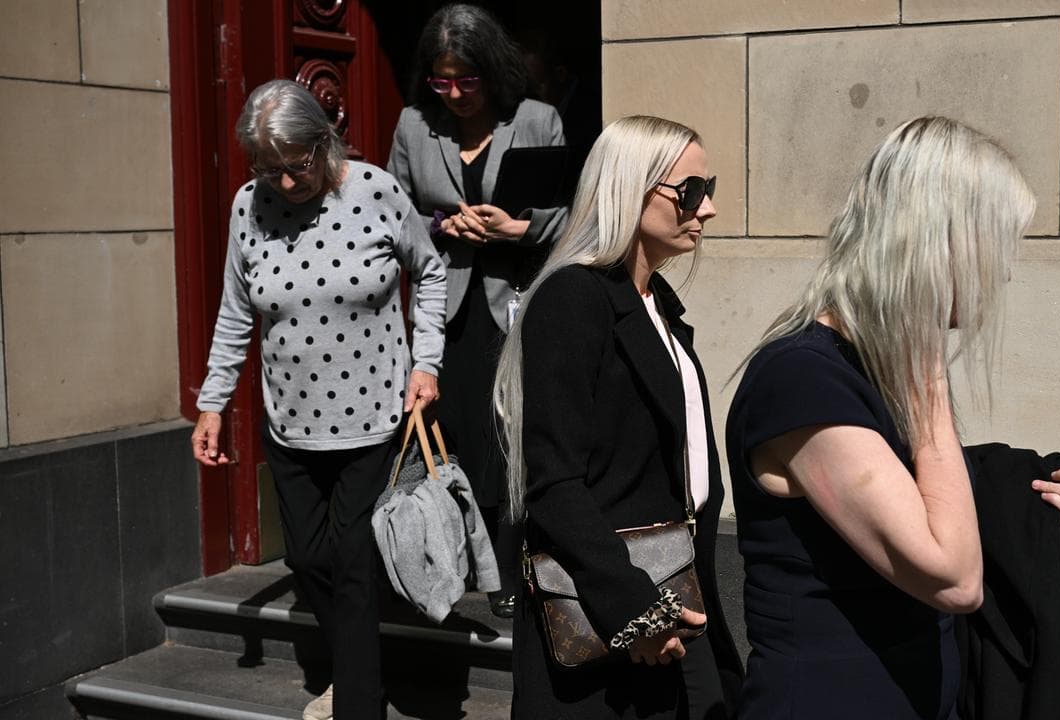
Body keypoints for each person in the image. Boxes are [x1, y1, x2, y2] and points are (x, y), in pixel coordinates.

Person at [724, 116, 1060, 719]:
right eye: (996, 246)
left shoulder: (875, 371)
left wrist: (1041, 504)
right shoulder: (802, 379)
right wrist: (926, 370)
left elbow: (929, 500)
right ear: (938, 242)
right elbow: (952, 578)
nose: (1003, 272)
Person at [191, 79, 447, 720]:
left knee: (354, 565)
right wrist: (213, 402)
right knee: (308, 558)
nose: (283, 183)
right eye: (267, 169)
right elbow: (234, 313)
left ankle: (359, 701)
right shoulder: (248, 206)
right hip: (291, 424)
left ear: (324, 141)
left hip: (374, 419)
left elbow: (432, 269)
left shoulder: (376, 190)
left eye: (296, 165)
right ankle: (357, 667)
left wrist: (427, 361)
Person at [493, 115, 744, 719]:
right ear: (632, 190)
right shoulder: (573, 300)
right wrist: (638, 613)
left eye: (707, 188)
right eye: (689, 191)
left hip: (678, 595)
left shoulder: (656, 304)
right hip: (610, 615)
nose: (706, 208)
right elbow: (552, 480)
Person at [388, 3, 566, 618]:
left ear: (493, 69)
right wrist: (443, 223)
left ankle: (513, 572)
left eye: (469, 78)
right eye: (443, 80)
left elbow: (569, 215)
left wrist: (515, 229)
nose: (457, 93)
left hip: (515, 304)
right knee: (455, 438)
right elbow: (394, 214)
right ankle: (455, 565)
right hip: (446, 312)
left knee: (511, 438)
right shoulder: (415, 126)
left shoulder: (537, 120)